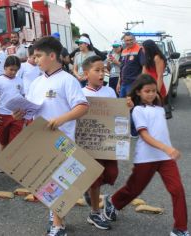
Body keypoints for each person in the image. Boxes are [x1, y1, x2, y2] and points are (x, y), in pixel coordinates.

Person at [13, 36, 89, 236]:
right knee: (45, 179)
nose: (35, 60)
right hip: (40, 137)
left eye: (39, 56)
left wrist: (61, 119)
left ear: (52, 56)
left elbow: (82, 107)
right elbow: (31, 108)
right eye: (34, 56)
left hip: (62, 139)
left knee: (58, 181)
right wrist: (21, 112)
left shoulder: (67, 80)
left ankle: (58, 225)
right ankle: (56, 214)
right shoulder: (37, 82)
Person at [103, 74, 188, 236]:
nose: (151, 94)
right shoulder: (137, 110)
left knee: (177, 190)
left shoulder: (160, 109)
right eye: (147, 91)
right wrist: (167, 148)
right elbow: (145, 136)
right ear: (139, 92)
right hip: (146, 158)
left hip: (165, 159)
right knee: (133, 190)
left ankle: (180, 229)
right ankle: (113, 202)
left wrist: (166, 151)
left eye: (154, 91)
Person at [81, 56, 118, 230]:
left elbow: (118, 115)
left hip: (108, 142)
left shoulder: (110, 91)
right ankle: (95, 212)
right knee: (95, 177)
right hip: (89, 144)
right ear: (86, 74)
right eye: (97, 70)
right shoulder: (81, 94)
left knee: (111, 174)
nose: (101, 73)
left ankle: (90, 190)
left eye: (103, 70)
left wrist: (127, 106)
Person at [0, 55, 24, 154]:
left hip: (17, 115)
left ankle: (11, 165)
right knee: (3, 140)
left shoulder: (19, 80)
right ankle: (3, 163)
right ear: (5, 67)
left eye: (16, 70)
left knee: (15, 141)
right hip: (2, 115)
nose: (13, 72)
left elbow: (22, 96)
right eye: (11, 69)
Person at [117, 32, 144, 98]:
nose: (129, 42)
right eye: (127, 40)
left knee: (131, 105)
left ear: (134, 40)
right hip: (123, 83)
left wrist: (141, 83)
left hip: (133, 83)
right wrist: (118, 83)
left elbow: (144, 67)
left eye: (131, 40)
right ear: (124, 41)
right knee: (121, 104)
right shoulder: (123, 51)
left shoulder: (139, 50)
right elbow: (122, 68)